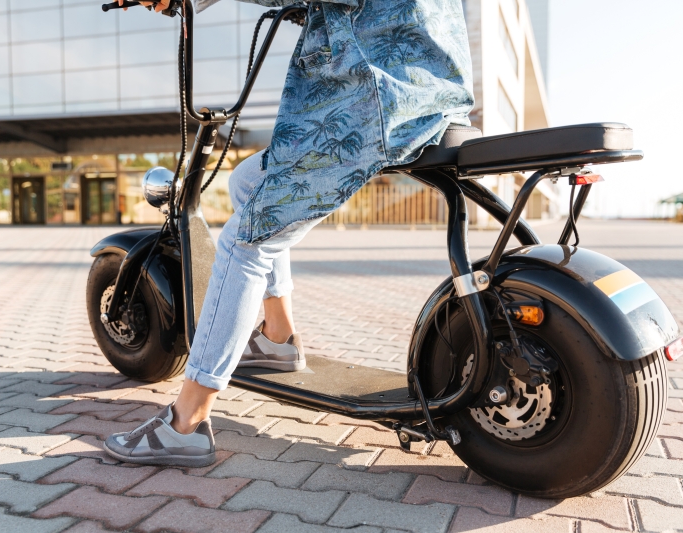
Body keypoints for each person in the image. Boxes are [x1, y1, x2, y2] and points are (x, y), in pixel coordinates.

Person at [104, 0, 475, 466]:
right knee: (246, 183)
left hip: (373, 103)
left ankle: (187, 421)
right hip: (420, 94)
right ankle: (278, 339)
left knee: (246, 239)